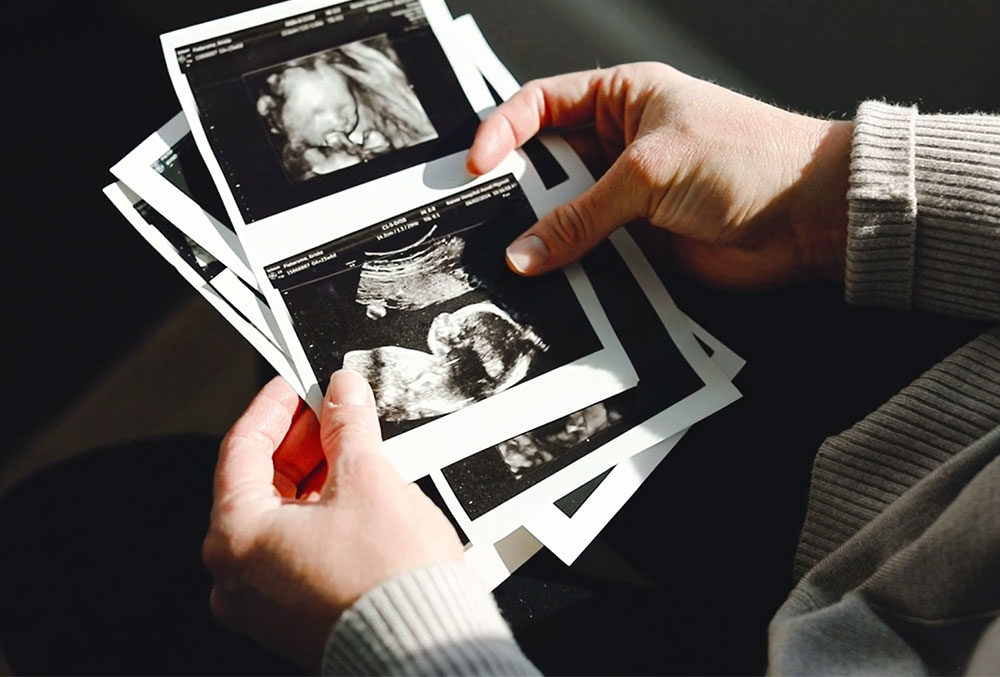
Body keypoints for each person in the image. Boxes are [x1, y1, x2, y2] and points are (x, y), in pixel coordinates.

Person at [204, 63, 1000, 674]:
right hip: (950, 410)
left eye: (346, 122)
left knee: (152, 530)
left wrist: (401, 635)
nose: (350, 148)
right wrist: (832, 184)